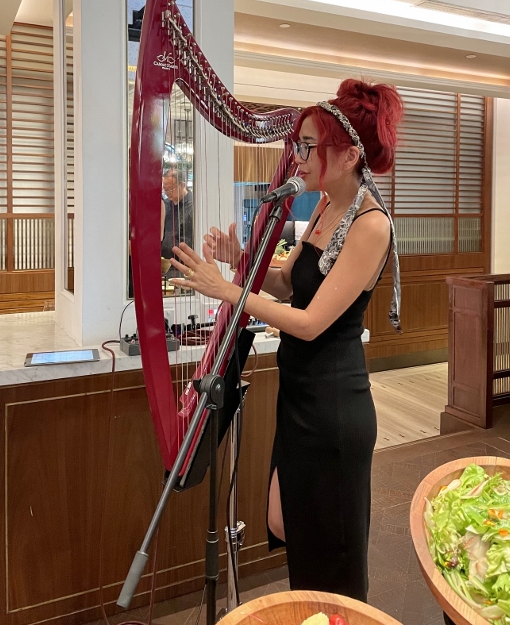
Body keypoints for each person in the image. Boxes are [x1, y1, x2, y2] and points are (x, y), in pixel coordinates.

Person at [169, 79, 403, 601]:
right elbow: (286, 284)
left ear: (346, 156)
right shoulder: (321, 208)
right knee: (291, 527)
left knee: (331, 560)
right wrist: (241, 261)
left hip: (334, 407)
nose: (295, 159)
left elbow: (309, 320)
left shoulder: (371, 224)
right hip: (300, 396)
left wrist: (228, 290)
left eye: (307, 147)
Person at [161, 168, 193, 269]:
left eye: (171, 189)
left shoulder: (194, 205)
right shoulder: (165, 205)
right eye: (165, 189)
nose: (167, 193)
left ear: (182, 185)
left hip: (185, 264)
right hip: (166, 263)